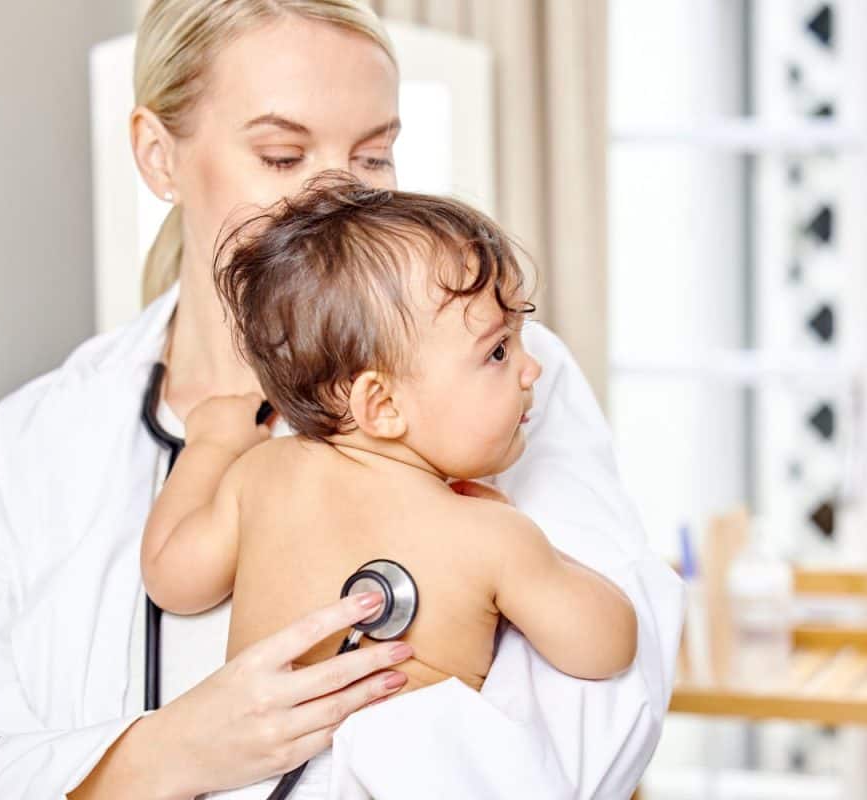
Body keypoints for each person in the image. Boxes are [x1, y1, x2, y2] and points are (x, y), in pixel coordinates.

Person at [0, 1, 682, 798]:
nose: (338, 197)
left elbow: (608, 703)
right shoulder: (23, 453)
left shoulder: (497, 383)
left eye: (374, 158)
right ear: (158, 157)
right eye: (281, 155)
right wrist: (176, 750)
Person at [141, 177, 640, 796]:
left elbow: (171, 577)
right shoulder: (488, 535)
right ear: (380, 403)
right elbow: (609, 645)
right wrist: (537, 547)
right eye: (497, 352)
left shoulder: (260, 475)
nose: (531, 368)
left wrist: (211, 445)